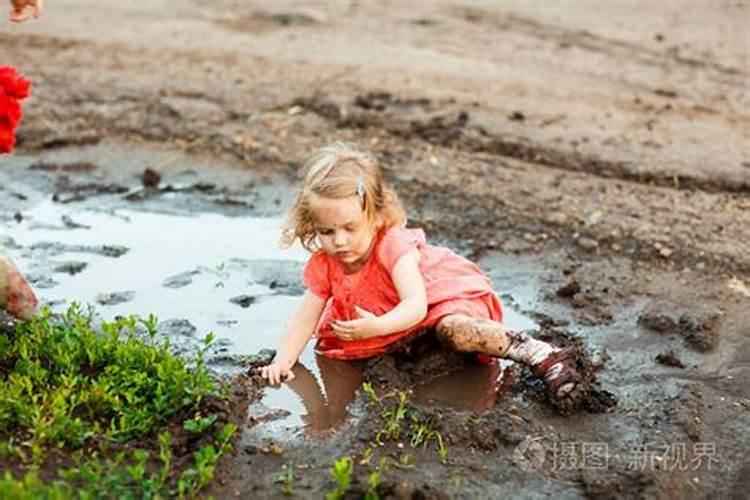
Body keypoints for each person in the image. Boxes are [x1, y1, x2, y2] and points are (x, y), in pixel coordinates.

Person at [259, 142, 582, 400]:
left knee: (456, 331)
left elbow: (415, 305)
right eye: (327, 232)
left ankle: (542, 355)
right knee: (369, 355)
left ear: (374, 217)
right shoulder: (326, 264)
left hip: (437, 298)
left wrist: (376, 327)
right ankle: (425, 347)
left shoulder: (392, 247)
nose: (339, 241)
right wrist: (283, 361)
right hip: (393, 318)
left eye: (350, 228)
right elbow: (305, 318)